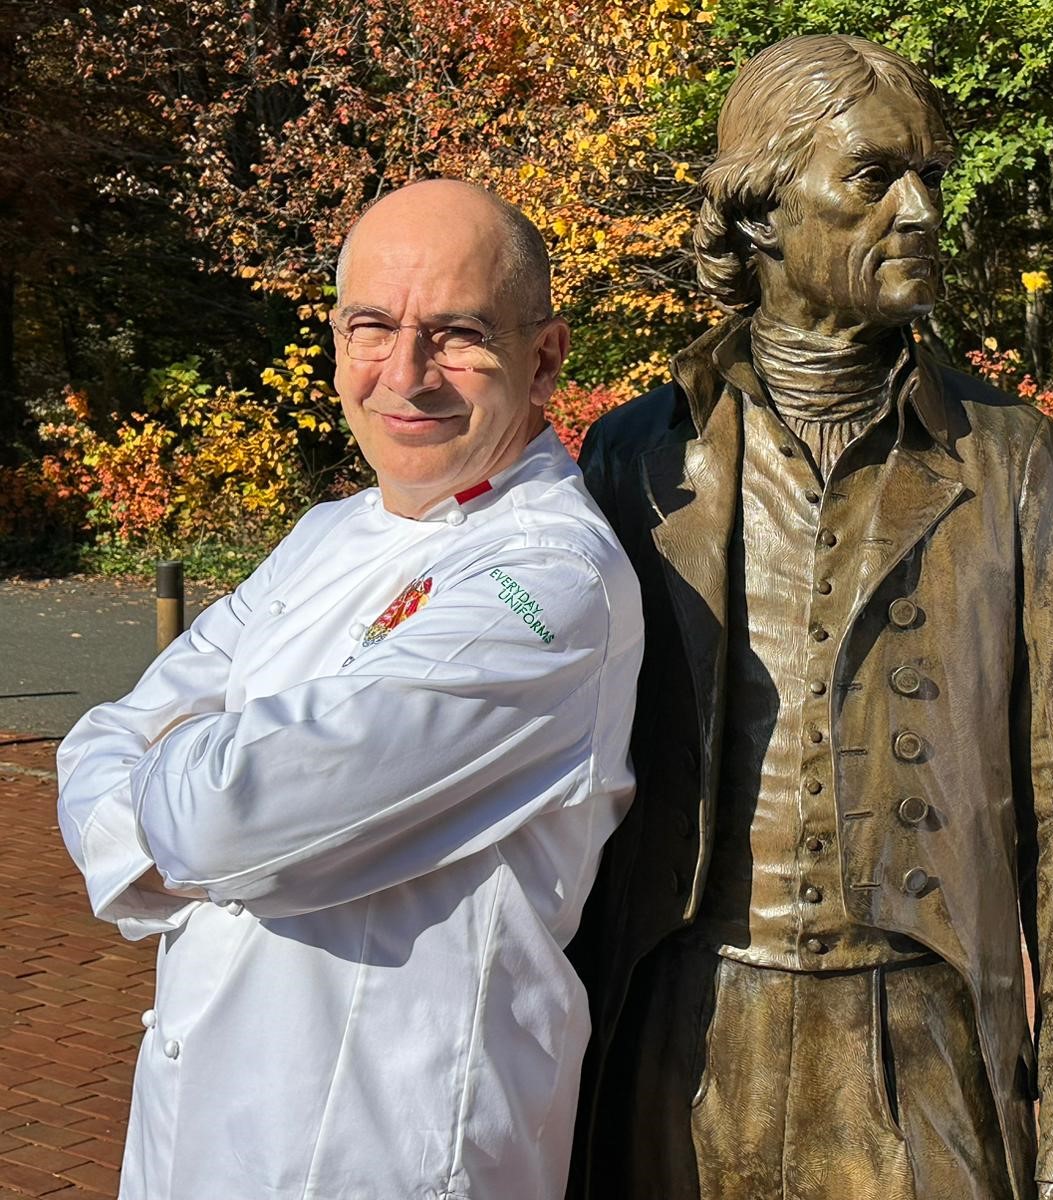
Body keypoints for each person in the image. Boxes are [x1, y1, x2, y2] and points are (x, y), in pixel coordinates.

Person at [568, 34, 1053, 1200]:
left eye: (929, 173)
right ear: (762, 211)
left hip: (921, 1044)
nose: (924, 210)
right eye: (877, 177)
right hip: (681, 1040)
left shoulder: (1010, 460)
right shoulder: (637, 456)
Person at [56, 179, 644, 1200]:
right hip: (198, 1141)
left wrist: (177, 786)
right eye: (371, 326)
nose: (405, 376)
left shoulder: (551, 581)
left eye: (456, 333)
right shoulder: (327, 534)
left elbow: (223, 820)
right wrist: (193, 779)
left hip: (383, 1155)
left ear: (544, 355)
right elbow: (97, 739)